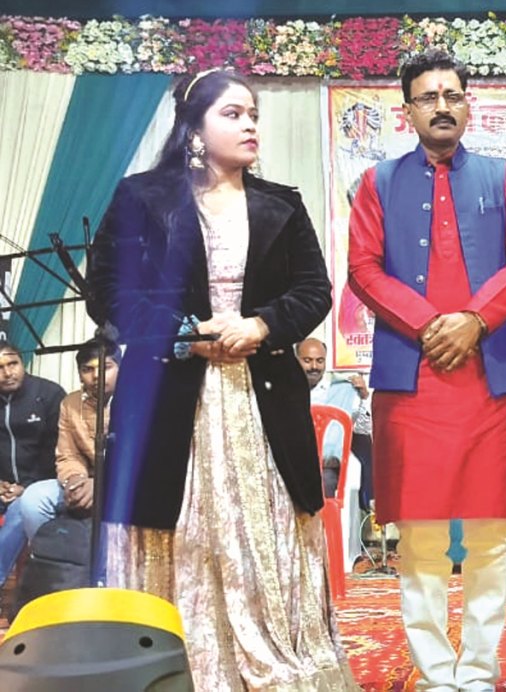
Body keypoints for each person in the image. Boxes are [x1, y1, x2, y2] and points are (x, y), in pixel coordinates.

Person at [86, 68, 357, 688]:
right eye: (233, 114)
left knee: (264, 531)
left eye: (253, 114)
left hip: (260, 397)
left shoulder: (281, 203)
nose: (250, 125)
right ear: (193, 129)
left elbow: (314, 290)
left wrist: (260, 325)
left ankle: (272, 658)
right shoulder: (141, 198)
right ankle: (175, 662)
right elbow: (108, 290)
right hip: (170, 395)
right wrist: (185, 331)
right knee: (178, 529)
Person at [347, 48, 506, 689]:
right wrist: (429, 325)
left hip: (493, 379)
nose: (441, 107)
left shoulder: (504, 176)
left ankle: (479, 671)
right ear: (407, 110)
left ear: (467, 105)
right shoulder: (378, 182)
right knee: (421, 539)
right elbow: (363, 268)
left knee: (491, 538)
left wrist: (475, 321)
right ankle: (436, 674)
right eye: (428, 97)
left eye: (452, 95)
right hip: (414, 380)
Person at [20, 338, 119, 541]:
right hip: (85, 481)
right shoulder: (71, 403)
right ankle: (51, 555)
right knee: (34, 498)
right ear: (80, 375)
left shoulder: (139, 399)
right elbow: (68, 455)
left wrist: (101, 483)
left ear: (121, 369)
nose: (97, 375)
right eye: (87, 369)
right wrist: (74, 480)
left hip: (123, 484)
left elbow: (143, 461)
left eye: (106, 367)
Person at [0, 343, 64, 594]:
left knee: (21, 509)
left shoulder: (49, 394)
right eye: (0, 368)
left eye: (12, 364)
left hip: (38, 487)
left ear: (22, 362)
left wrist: (25, 487)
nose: (7, 373)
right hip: (4, 487)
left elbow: (56, 452)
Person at [296, 337, 373, 505]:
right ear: (296, 360)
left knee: (324, 483)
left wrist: (364, 397)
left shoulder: (341, 391)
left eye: (320, 361)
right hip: (290, 467)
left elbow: (363, 429)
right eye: (307, 361)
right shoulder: (284, 391)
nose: (314, 366)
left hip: (325, 470)